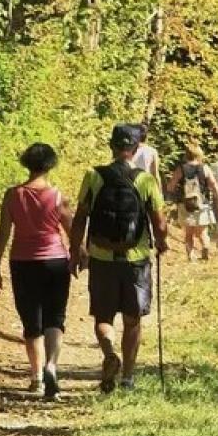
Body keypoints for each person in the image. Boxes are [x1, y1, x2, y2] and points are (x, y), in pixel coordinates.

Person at [69, 124, 169, 392]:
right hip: (135, 259)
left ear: (111, 146)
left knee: (103, 317)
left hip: (101, 257)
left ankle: (110, 352)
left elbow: (79, 218)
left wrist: (75, 251)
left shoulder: (93, 176)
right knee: (132, 319)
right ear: (136, 149)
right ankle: (127, 377)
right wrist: (162, 243)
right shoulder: (145, 180)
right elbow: (159, 222)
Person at [0, 143, 74, 400]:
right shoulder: (58, 196)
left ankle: (36, 376)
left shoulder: (13, 195)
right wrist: (80, 255)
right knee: (55, 318)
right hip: (55, 261)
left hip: (22, 262)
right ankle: (52, 366)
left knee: (31, 321)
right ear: (51, 164)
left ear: (26, 163)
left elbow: (4, 232)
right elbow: (72, 230)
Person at [166, 144, 218, 261]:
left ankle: (191, 256)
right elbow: (214, 185)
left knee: (188, 233)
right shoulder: (204, 168)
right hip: (202, 203)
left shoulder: (181, 169)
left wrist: (171, 192)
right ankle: (205, 247)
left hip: (185, 204)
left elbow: (170, 187)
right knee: (203, 232)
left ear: (186, 155)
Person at [132, 123, 162, 189]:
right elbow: (156, 174)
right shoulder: (152, 151)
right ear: (146, 136)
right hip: (145, 186)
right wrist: (159, 193)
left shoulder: (128, 150)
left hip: (130, 186)